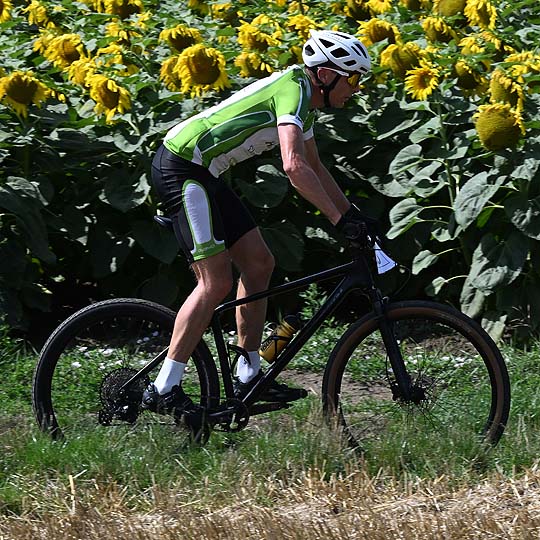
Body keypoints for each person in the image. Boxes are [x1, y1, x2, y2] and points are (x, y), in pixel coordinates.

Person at [141, 29, 373, 418]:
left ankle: (248, 374)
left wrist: (351, 215)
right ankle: (164, 386)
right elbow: (294, 166)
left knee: (260, 263)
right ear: (326, 75)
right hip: (180, 168)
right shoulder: (293, 90)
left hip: (205, 172)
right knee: (215, 282)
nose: (357, 88)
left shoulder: (305, 100)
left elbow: (315, 166)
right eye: (352, 78)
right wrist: (338, 220)